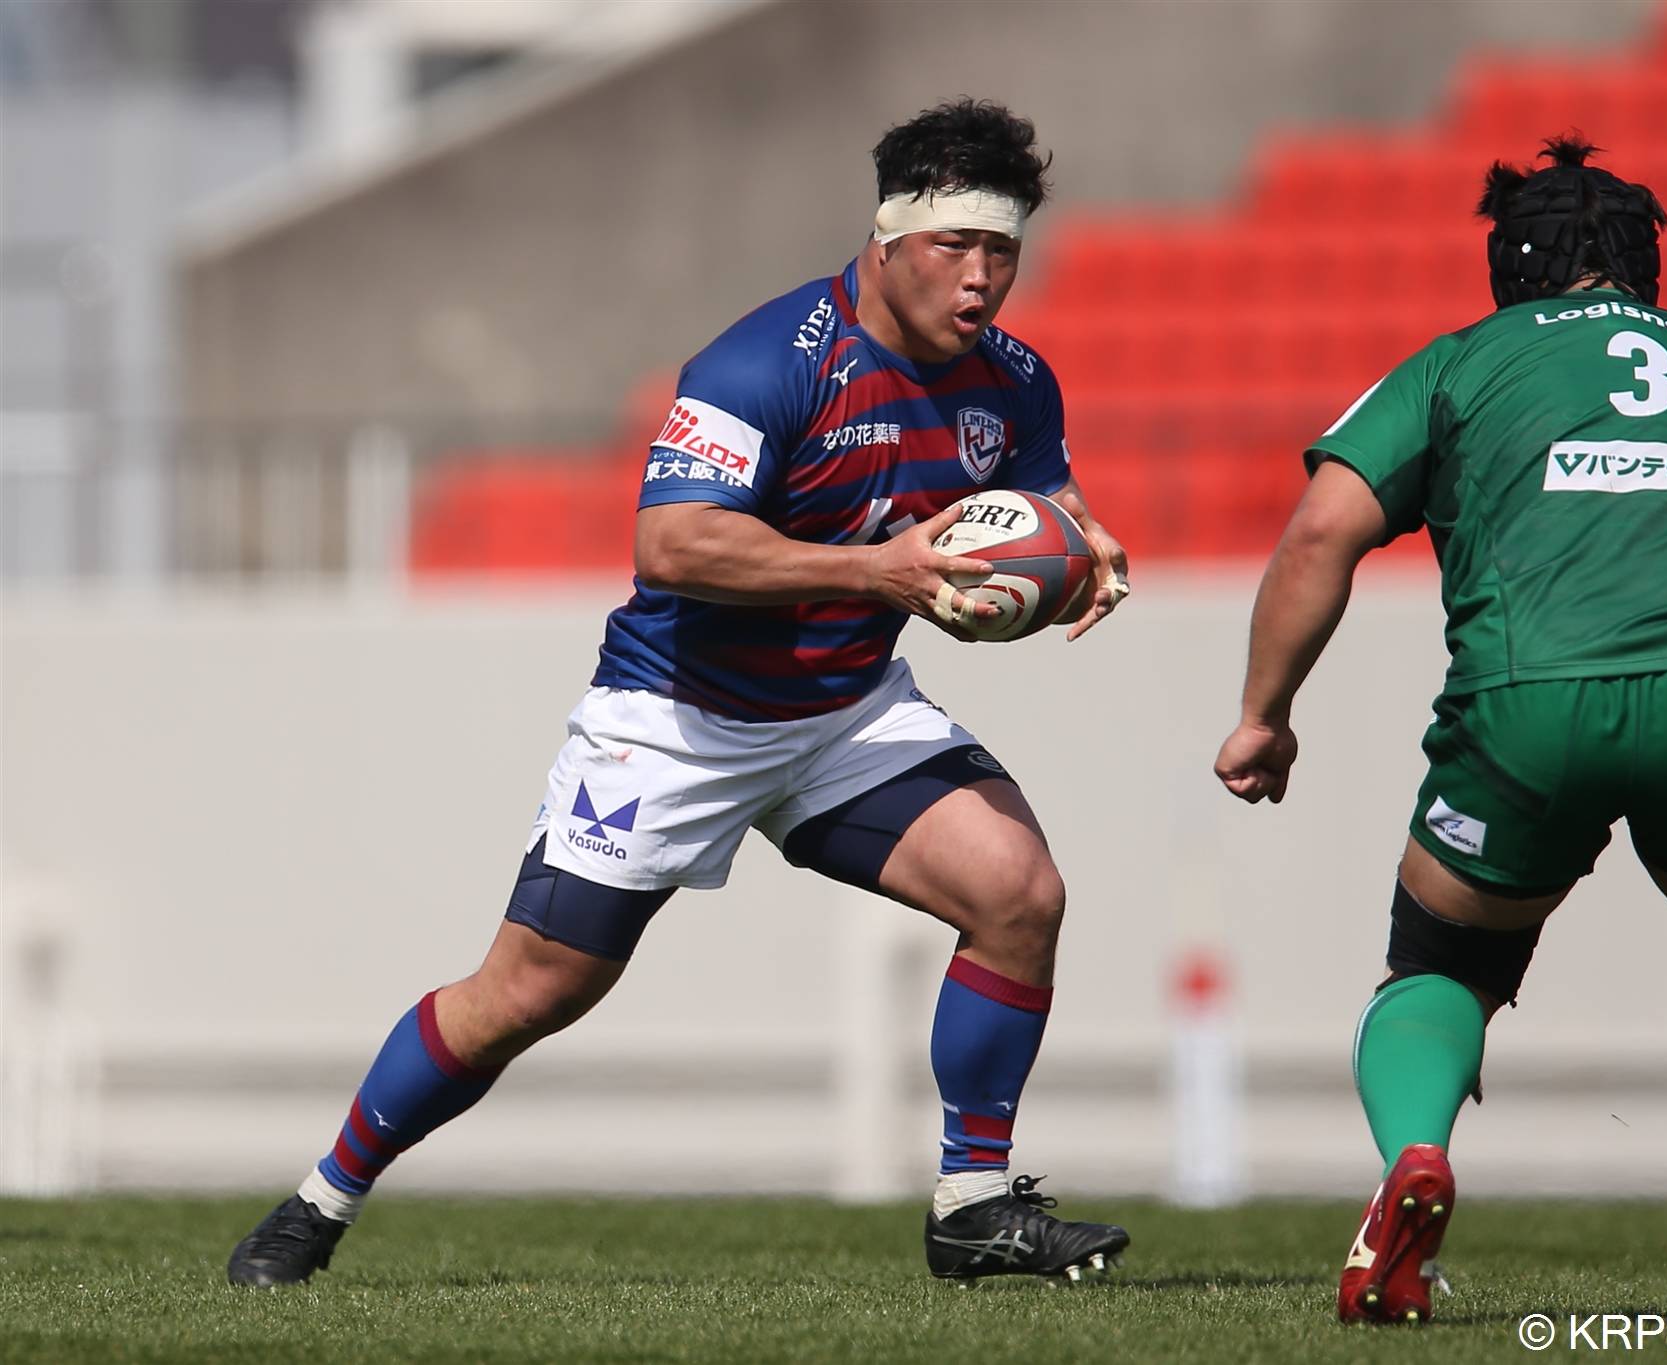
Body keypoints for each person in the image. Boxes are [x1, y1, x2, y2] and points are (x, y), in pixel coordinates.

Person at [229, 98, 1132, 1288]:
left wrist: (1083, 555)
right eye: (952, 246)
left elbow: (1047, 514)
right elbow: (672, 546)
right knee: (528, 992)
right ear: (884, 239)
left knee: (1018, 892)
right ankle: (319, 1201)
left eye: (1001, 251)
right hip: (675, 721)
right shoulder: (766, 364)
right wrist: (876, 571)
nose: (980, 279)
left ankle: (972, 1206)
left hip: (844, 713)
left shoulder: (1011, 380)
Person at [1214, 138, 1667, 1325]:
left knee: (1440, 964)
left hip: (1525, 708)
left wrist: (1262, 719)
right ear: (1646, 267)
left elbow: (1319, 533)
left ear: (1507, 267)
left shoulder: (1457, 364)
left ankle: (1414, 1162)